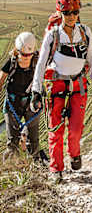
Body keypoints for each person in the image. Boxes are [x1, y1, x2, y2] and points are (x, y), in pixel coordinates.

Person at [30, 0, 92, 183]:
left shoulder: (84, 32)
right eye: (68, 12)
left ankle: (75, 154)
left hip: (78, 83)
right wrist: (36, 90)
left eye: (75, 12)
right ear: (60, 12)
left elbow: (90, 57)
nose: (72, 16)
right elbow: (41, 64)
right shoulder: (53, 36)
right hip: (56, 85)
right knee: (56, 129)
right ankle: (56, 168)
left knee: (76, 128)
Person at [0, 32, 41, 160]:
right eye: (23, 54)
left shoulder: (37, 62)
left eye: (29, 54)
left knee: (33, 139)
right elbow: (1, 80)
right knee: (12, 141)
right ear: (17, 51)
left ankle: (35, 164)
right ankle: (12, 164)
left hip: (31, 104)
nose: (26, 57)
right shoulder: (11, 63)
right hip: (13, 104)